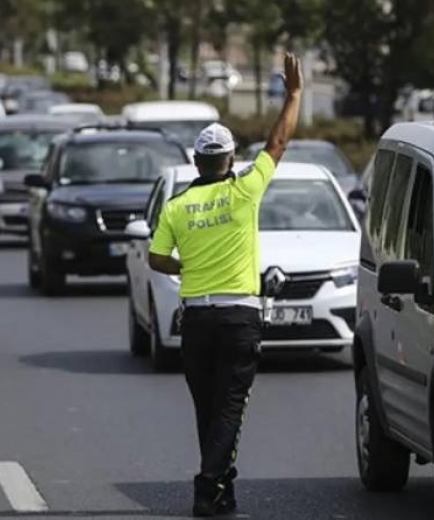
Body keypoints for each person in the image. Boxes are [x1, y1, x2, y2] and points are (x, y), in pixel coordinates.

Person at [147, 52, 303, 517]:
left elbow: (156, 258)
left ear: (196, 161)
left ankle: (221, 490)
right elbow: (277, 143)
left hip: (195, 317)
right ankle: (206, 486)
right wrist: (293, 94)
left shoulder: (177, 206)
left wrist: (186, 267)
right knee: (231, 407)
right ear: (231, 158)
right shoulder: (244, 191)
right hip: (239, 317)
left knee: (208, 409)